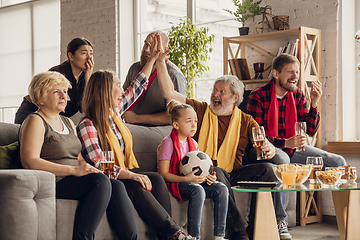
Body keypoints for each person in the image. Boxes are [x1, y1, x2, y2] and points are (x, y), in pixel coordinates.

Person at [154, 46, 290, 240]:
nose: (215, 95)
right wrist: (160, 61)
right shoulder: (200, 110)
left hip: (234, 173)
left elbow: (263, 143)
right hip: (210, 172)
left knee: (270, 169)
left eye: (222, 92)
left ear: (235, 98)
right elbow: (169, 93)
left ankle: (270, 222)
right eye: (214, 90)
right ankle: (239, 230)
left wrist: (268, 148)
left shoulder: (246, 120)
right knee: (216, 171)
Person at [77, 34, 195, 240]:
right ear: (105, 92)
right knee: (134, 183)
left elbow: (137, 87)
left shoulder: (114, 113)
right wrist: (131, 175)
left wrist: (153, 59)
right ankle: (174, 232)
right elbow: (99, 164)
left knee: (156, 179)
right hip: (109, 178)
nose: (122, 91)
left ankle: (168, 234)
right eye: (117, 87)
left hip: (123, 172)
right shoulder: (88, 124)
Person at [19, 71, 141, 240]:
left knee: (115, 184)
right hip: (53, 181)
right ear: (40, 98)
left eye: (64, 91)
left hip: (72, 177)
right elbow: (29, 162)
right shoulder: (35, 120)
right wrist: (73, 170)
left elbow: (77, 156)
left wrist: (88, 167)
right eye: (56, 92)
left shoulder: (68, 122)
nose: (64, 96)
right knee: (100, 182)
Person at [247, 53, 346, 168]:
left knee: (338, 162)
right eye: (290, 72)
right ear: (276, 74)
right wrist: (286, 142)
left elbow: (310, 131)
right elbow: (256, 136)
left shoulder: (297, 94)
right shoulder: (258, 95)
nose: (295, 76)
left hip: (292, 149)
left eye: (297, 72)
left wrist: (314, 103)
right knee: (283, 159)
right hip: (264, 149)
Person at [157, 99, 229, 240]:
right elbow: (163, 174)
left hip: (191, 182)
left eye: (195, 121)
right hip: (175, 183)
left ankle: (219, 236)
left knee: (221, 188)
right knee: (197, 190)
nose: (194, 125)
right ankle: (193, 236)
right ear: (176, 125)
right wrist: (186, 179)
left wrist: (208, 177)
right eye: (189, 121)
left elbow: (199, 170)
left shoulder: (193, 144)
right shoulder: (168, 143)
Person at [15, 37, 94, 124]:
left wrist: (88, 78)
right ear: (71, 56)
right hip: (31, 112)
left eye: (91, 54)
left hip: (53, 118)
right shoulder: (57, 73)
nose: (89, 58)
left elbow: (83, 107)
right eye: (84, 53)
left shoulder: (85, 77)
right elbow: (48, 102)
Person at [122, 30, 187, 126]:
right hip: (132, 125)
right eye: (146, 44)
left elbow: (176, 116)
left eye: (152, 46)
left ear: (164, 50)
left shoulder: (174, 75)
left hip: (161, 128)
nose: (147, 50)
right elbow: (122, 97)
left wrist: (137, 118)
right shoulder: (134, 68)